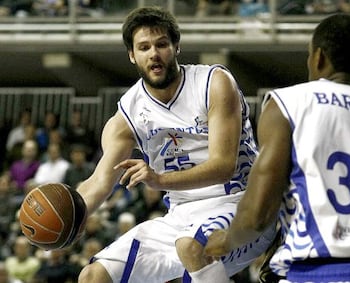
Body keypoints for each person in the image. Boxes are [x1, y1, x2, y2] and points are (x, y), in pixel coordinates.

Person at [205, 13, 350, 282]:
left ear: (318, 58)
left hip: (316, 271)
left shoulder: (288, 105)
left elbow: (259, 213)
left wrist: (227, 240)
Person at [74, 6, 276, 283]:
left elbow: (223, 166)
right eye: (144, 47)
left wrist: (159, 179)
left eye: (161, 45)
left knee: (190, 247)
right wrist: (71, 216)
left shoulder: (214, 83)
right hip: (181, 217)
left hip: (242, 205)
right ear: (132, 56)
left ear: (176, 47)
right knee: (93, 276)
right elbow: (99, 182)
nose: (154, 54)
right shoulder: (127, 114)